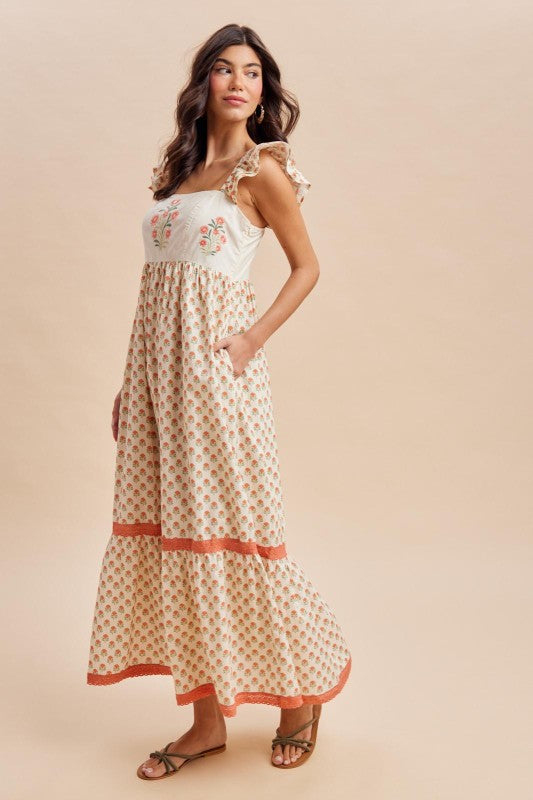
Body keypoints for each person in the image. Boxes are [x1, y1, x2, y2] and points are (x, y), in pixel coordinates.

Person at [86, 23, 352, 778]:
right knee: (177, 545)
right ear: (202, 82)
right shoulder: (176, 177)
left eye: (254, 74)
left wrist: (249, 340)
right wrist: (130, 384)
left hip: (216, 378)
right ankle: (205, 721)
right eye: (224, 70)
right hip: (156, 383)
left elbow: (305, 268)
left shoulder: (261, 169)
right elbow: (159, 290)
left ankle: (299, 696)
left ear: (263, 91)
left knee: (236, 538)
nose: (239, 83)